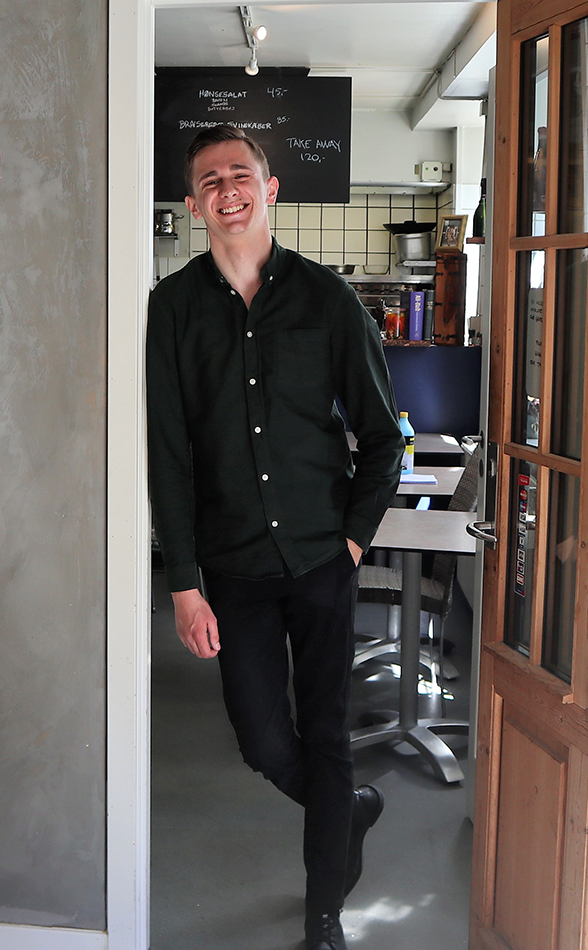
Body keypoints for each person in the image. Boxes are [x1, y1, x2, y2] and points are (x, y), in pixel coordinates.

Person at [146, 124, 404, 950]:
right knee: (262, 739)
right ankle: (350, 809)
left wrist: (356, 540)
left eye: (241, 172)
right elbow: (169, 450)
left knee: (326, 733)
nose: (227, 186)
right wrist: (183, 582)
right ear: (193, 204)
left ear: (270, 188)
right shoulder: (173, 307)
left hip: (324, 556)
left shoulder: (327, 300)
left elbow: (382, 434)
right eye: (210, 178)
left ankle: (323, 913)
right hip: (233, 568)